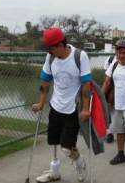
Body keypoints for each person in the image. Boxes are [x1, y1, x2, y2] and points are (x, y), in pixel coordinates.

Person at [32, 27, 91, 182]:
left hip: (72, 109)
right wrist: (41, 103)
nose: (49, 53)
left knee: (66, 147)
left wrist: (85, 109)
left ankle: (80, 163)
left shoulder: (80, 56)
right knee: (54, 143)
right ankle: (55, 172)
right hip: (55, 107)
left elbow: (86, 85)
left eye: (51, 49)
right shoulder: (50, 58)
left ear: (59, 45)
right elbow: (45, 81)